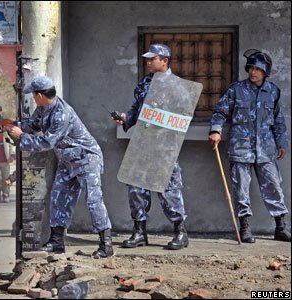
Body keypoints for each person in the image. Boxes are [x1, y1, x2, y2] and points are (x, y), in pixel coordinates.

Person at [7, 76, 113, 258]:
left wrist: (22, 136)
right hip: (67, 160)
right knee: (58, 196)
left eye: (33, 94)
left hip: (86, 159)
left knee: (94, 201)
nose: (32, 97)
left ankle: (106, 244)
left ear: (40, 95)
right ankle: (56, 242)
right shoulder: (42, 108)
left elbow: (48, 142)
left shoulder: (62, 113)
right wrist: (9, 125)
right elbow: (31, 125)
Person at [209, 49, 290, 243]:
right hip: (241, 148)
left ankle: (280, 227)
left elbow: (278, 120)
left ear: (265, 71)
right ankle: (244, 228)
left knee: (274, 187)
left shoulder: (273, 91)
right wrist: (216, 130)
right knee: (241, 189)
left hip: (266, 149)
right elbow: (220, 112)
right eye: (251, 68)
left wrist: (282, 142)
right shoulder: (236, 89)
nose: (253, 72)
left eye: (258, 69)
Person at [114, 43, 189, 250]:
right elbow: (136, 109)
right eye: (147, 59)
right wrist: (126, 119)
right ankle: (139, 232)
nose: (148, 62)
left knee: (168, 189)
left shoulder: (178, 86)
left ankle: (180, 232)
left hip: (164, 146)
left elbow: (183, 116)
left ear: (164, 61)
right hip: (143, 143)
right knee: (136, 187)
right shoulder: (144, 83)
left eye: (152, 59)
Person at [0, 105, 15, 203]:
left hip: (5, 158)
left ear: (0, 112)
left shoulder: (5, 126)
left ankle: (6, 195)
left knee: (6, 177)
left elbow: (11, 142)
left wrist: (12, 155)